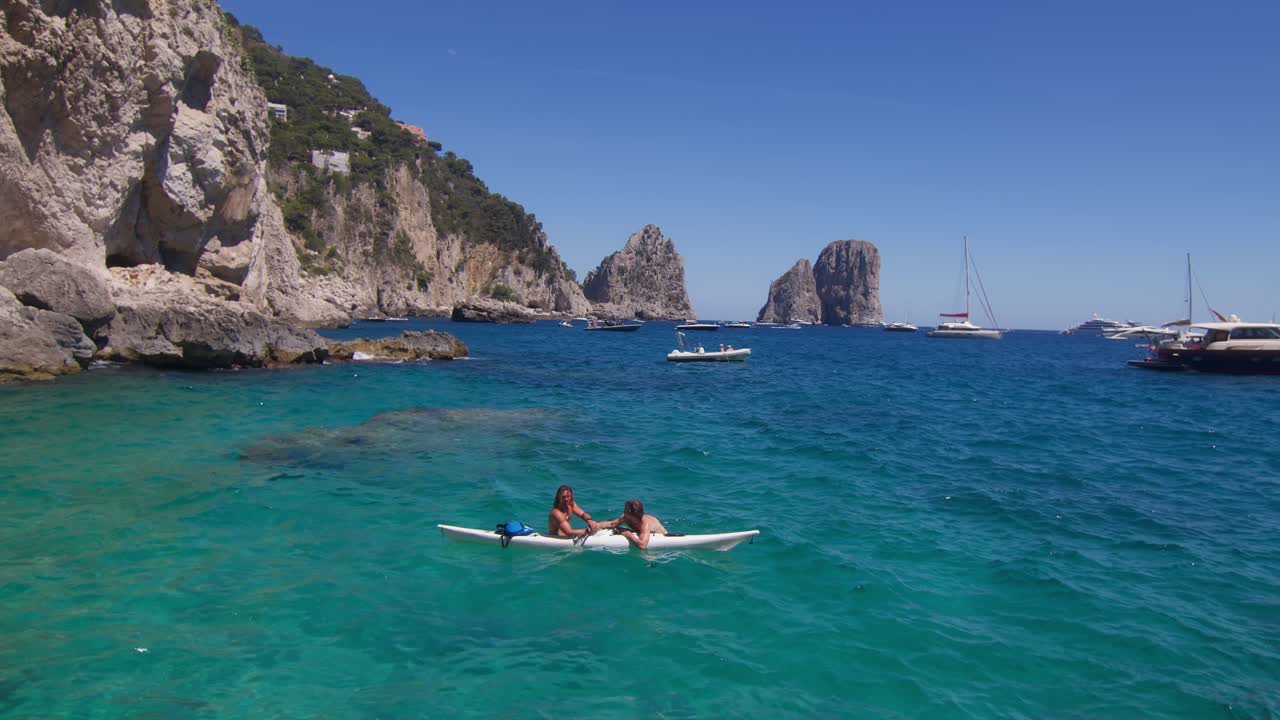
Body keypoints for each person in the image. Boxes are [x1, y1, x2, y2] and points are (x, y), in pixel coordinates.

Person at [597, 499, 668, 549]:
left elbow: (642, 545)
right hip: (644, 533)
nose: (624, 513)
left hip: (662, 535)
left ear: (633, 515)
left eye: (626, 512)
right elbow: (611, 524)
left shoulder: (645, 524)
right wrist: (597, 525)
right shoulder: (626, 517)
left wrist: (628, 534)